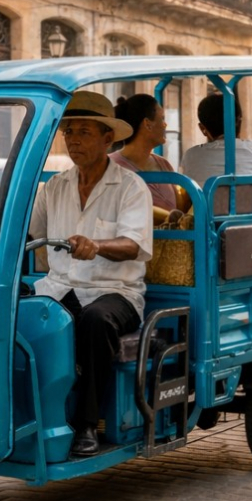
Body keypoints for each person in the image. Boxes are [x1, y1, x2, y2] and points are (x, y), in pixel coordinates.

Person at [28, 91, 153, 457]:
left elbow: (133, 245)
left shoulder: (131, 187)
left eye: (83, 131)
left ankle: (87, 425)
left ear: (107, 138)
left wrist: (96, 245)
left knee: (95, 322)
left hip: (116, 293)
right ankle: (31, 413)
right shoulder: (54, 187)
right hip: (61, 288)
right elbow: (31, 234)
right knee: (16, 314)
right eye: (69, 132)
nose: (74, 140)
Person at [182, 93, 252, 187]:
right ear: (239, 122)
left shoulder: (190, 156)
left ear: (202, 129)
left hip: (205, 207)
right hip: (248, 206)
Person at [109, 94, 178, 214]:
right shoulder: (110, 166)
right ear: (147, 124)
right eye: (162, 118)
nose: (165, 125)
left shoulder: (164, 164)